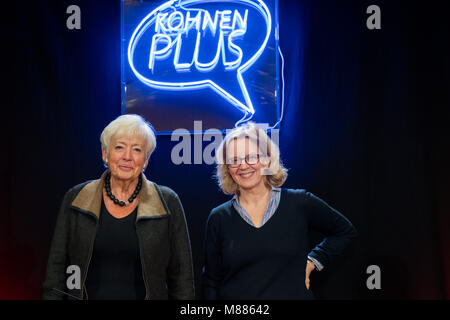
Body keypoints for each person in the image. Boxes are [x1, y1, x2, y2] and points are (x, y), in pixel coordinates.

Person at [42, 114, 194, 300]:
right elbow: (56, 270)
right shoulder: (76, 197)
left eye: (137, 150)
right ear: (105, 153)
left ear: (145, 160)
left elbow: (182, 278)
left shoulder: (168, 201)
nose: (127, 157)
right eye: (119, 147)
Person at [202, 122, 357, 299]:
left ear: (267, 159)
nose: (243, 166)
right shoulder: (219, 218)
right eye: (234, 160)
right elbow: (210, 281)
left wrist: (312, 262)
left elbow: (345, 231)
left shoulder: (299, 202)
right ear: (227, 168)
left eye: (251, 157)